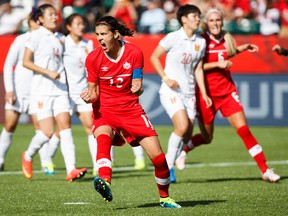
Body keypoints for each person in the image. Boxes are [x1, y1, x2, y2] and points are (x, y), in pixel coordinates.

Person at [80, 15, 181, 208]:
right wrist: (88, 97)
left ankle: (165, 197)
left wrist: (138, 88)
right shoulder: (93, 58)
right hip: (105, 110)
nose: (100, 39)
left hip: (131, 110)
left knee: (159, 158)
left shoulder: (134, 52)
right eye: (97, 35)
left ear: (116, 34)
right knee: (103, 138)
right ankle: (105, 182)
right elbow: (94, 94)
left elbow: (138, 85)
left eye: (104, 34)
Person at [175, 8, 281, 183]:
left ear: (222, 22)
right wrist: (219, 64)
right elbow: (196, 68)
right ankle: (183, 151)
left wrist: (243, 48)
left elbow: (226, 53)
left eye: (218, 20)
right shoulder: (200, 41)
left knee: (244, 130)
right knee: (207, 137)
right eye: (211, 20)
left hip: (227, 92)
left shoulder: (227, 39)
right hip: (206, 94)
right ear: (206, 23)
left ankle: (265, 170)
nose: (215, 23)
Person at [21, 4, 87, 181]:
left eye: (55, 14)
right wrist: (47, 71)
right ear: (41, 19)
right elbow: (26, 62)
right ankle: (28, 155)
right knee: (47, 132)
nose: (54, 17)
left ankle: (71, 169)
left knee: (65, 128)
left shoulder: (60, 37)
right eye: (50, 14)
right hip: (42, 90)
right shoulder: (35, 36)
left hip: (60, 90)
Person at [150, 4, 212, 183]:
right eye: (194, 16)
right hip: (171, 90)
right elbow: (154, 57)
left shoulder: (201, 42)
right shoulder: (173, 37)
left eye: (199, 16)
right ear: (183, 19)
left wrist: (205, 93)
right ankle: (167, 168)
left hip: (189, 92)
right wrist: (165, 78)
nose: (198, 19)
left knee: (187, 134)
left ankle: (172, 160)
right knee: (182, 126)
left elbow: (198, 68)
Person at [0, 11, 39, 171]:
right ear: (30, 22)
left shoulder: (48, 39)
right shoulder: (21, 40)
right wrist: (10, 90)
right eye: (36, 20)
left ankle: (45, 163)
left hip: (38, 90)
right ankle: (0, 160)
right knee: (10, 125)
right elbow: (9, 65)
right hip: (19, 89)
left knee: (41, 128)